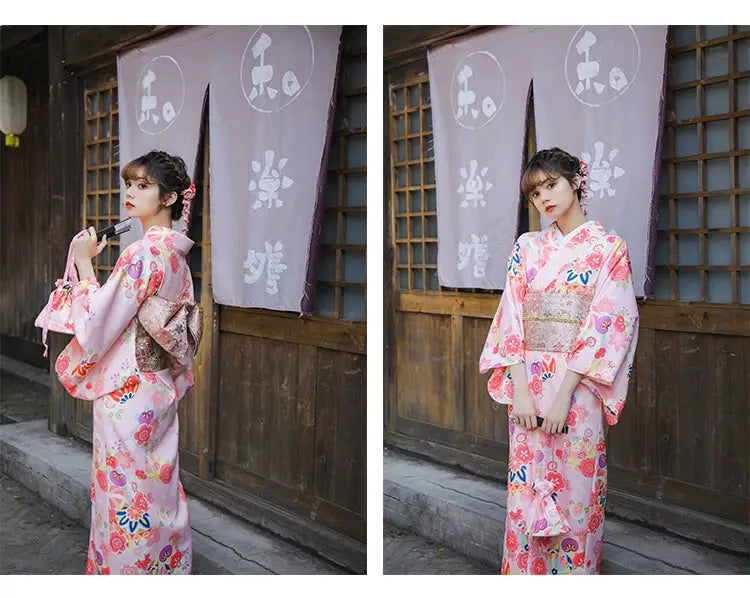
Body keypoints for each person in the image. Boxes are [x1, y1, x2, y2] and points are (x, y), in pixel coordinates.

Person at [478, 147, 639, 574]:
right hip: (528, 387)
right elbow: (511, 316)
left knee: (576, 492)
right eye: (535, 193)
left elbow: (610, 321)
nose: (543, 198)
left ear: (576, 182)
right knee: (525, 492)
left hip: (579, 388)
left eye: (551, 185)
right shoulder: (527, 247)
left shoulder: (608, 249)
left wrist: (564, 395)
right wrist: (523, 393)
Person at [54, 150, 201, 574]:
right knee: (158, 490)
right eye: (129, 185)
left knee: (124, 498)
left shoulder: (141, 254)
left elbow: (98, 325)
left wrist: (84, 264)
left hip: (128, 392)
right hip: (158, 388)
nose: (131, 194)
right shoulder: (177, 255)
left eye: (143, 186)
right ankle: (167, 570)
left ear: (171, 197)